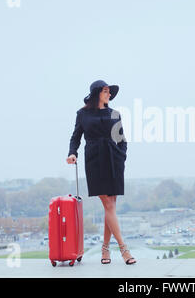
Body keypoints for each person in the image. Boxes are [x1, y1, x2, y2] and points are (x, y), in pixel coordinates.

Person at [66, 80, 136, 265]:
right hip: (95, 160)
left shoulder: (115, 114)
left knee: (110, 206)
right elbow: (75, 138)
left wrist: (121, 156)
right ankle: (124, 250)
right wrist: (72, 153)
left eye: (109, 92)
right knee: (108, 205)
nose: (109, 95)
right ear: (97, 93)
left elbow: (121, 139)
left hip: (114, 160)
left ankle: (105, 251)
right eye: (106, 91)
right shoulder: (82, 114)